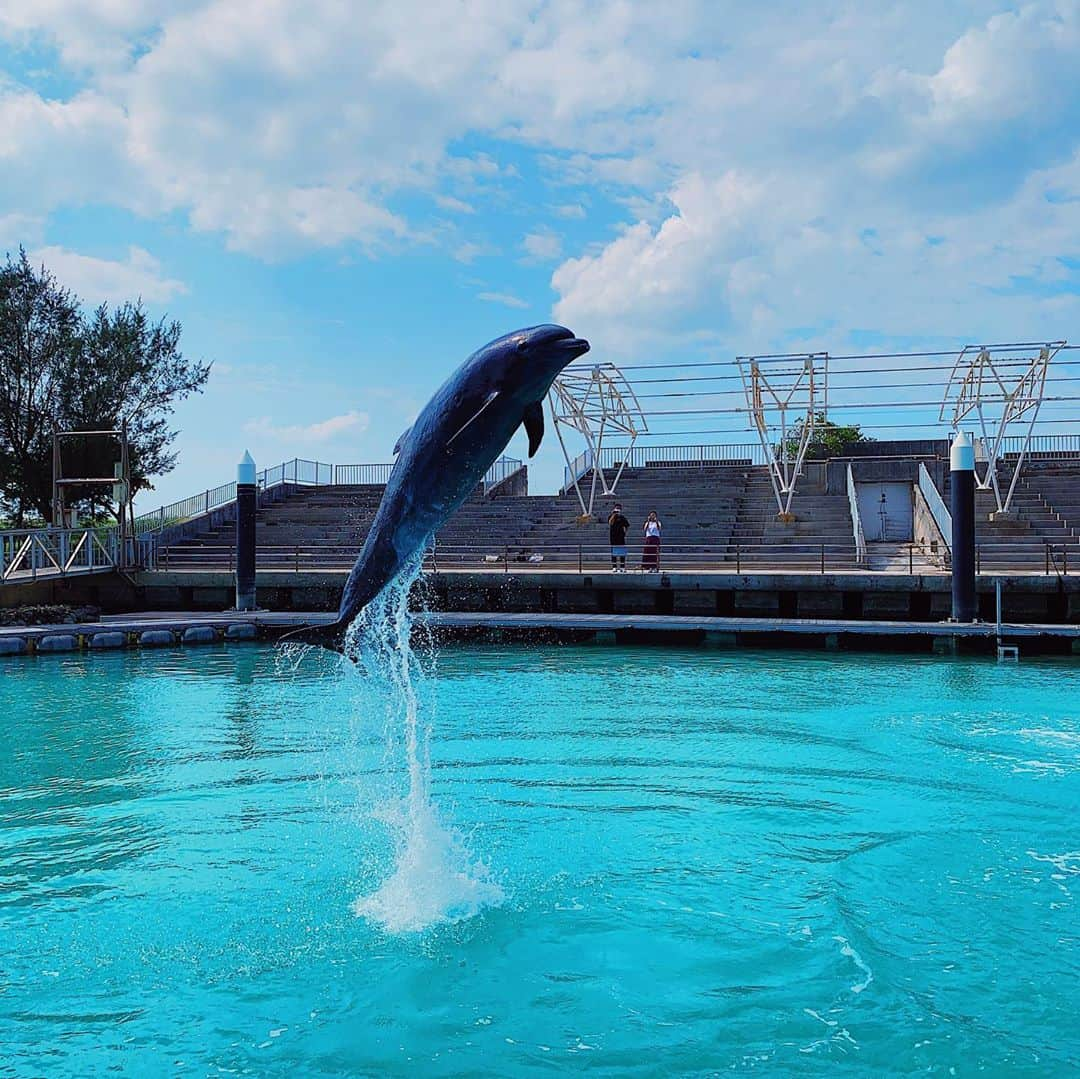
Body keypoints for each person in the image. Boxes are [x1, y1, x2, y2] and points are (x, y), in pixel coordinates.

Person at [607, 503, 629, 572]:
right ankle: (614, 566)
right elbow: (610, 522)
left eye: (619, 508)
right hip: (613, 537)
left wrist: (624, 532)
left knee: (622, 552)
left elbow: (627, 525)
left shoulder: (622, 517)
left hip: (621, 537)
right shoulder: (611, 516)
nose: (618, 509)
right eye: (616, 508)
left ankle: (622, 567)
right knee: (614, 552)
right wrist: (614, 515)